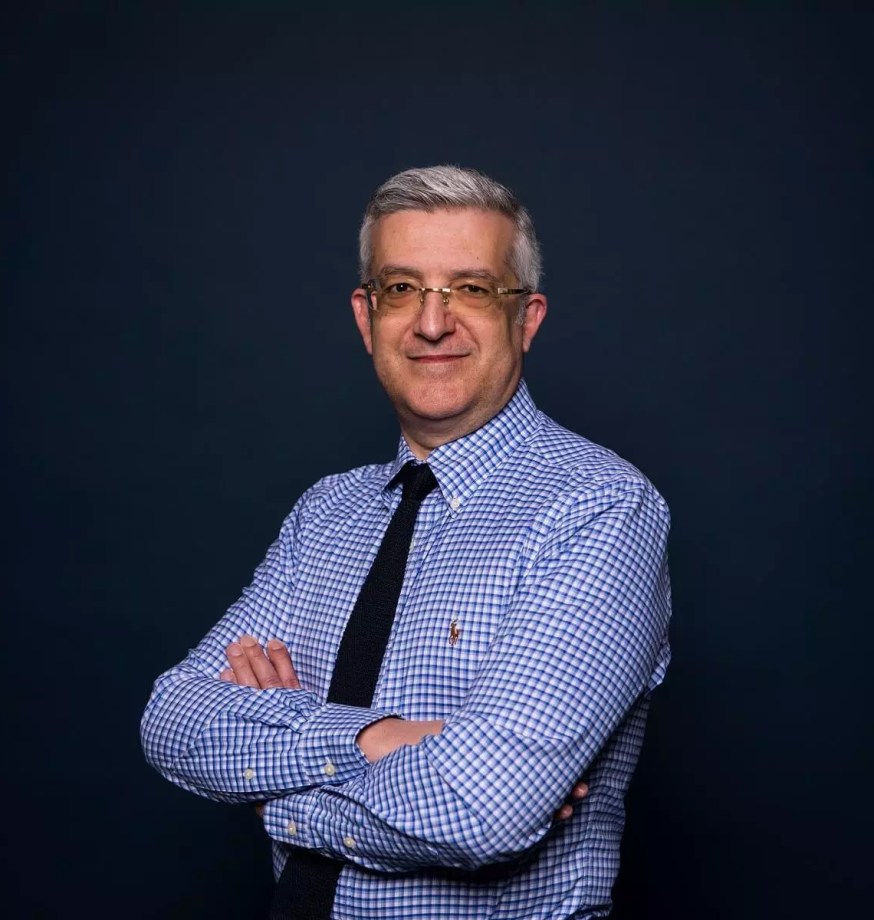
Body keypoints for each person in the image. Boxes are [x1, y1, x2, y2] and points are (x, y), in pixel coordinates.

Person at [141, 165, 672, 919]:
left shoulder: (597, 509)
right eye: (401, 289)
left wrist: (279, 801)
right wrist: (381, 737)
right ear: (366, 317)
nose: (431, 323)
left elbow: (483, 807)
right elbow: (174, 722)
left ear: (527, 318)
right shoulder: (324, 513)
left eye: (472, 289)